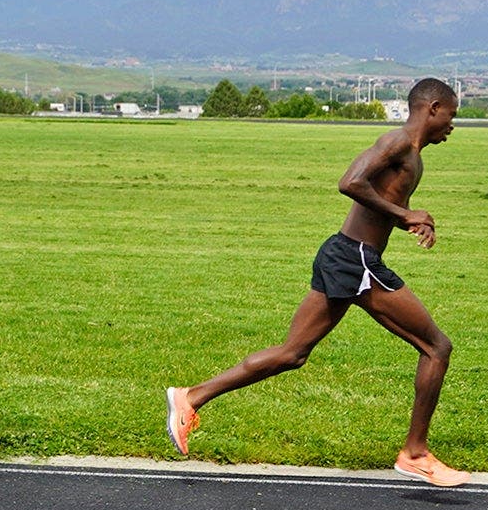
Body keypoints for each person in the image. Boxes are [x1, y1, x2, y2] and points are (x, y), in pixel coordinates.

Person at [164, 77, 468, 486]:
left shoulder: (413, 155)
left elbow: (382, 206)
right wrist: (403, 215)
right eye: (451, 114)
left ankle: (191, 397)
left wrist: (414, 220)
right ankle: (415, 453)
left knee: (293, 354)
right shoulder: (396, 143)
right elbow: (350, 182)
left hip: (344, 254)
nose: (452, 124)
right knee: (436, 347)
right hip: (355, 259)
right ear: (432, 108)